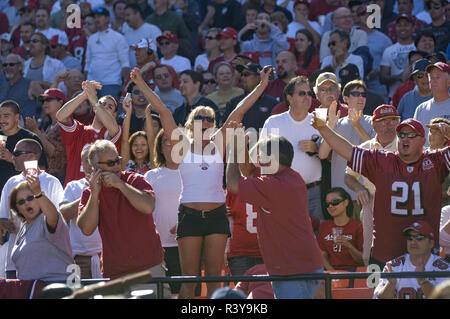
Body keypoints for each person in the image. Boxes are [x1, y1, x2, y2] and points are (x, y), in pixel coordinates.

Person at [129, 64, 269, 299]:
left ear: (213, 124)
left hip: (216, 215)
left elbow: (240, 109)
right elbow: (162, 110)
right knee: (190, 279)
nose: (204, 121)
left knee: (214, 276)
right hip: (190, 216)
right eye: (200, 117)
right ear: (191, 123)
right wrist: (141, 83)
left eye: (209, 118)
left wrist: (262, 84)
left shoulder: (219, 143)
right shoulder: (181, 146)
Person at [311, 115, 450, 266]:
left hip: (424, 254)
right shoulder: (382, 160)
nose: (405, 138)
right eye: (402, 135)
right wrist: (323, 128)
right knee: (380, 290)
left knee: (425, 289)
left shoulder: (436, 161)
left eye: (411, 135)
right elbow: (348, 150)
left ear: (423, 141)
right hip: (385, 253)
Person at [226, 134, 323, 299]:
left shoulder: (274, 185)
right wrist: (242, 146)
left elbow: (233, 184)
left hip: (292, 271)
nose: (257, 158)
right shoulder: (290, 177)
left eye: (260, 155)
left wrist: (233, 150)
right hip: (302, 266)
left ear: (270, 159)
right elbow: (249, 171)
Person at [77, 139, 166, 287]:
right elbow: (86, 228)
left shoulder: (135, 179)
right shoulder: (90, 193)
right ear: (95, 168)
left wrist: (120, 185)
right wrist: (95, 194)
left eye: (118, 160)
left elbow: (148, 206)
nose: (117, 166)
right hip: (115, 273)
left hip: (149, 267)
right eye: (111, 163)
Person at [260, 76, 324, 220]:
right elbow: (263, 158)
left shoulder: (319, 122)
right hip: (283, 191)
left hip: (313, 192)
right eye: (302, 93)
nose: (307, 97)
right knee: (286, 237)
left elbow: (331, 156)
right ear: (289, 97)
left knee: (314, 239)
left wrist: (317, 148)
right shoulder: (274, 122)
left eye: (309, 93)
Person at [344, 104, 400, 265]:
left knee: (402, 249)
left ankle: (402, 287)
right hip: (372, 203)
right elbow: (348, 176)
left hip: (402, 203)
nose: (389, 125)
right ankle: (375, 288)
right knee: (370, 252)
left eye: (393, 121)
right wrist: (359, 187)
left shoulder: (407, 144)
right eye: (384, 121)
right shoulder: (364, 149)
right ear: (374, 125)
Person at [0, 138, 63, 279]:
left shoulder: (52, 182)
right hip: (14, 262)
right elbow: (3, 217)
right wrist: (4, 223)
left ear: (31, 156)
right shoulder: (11, 182)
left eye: (17, 153)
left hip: (45, 261)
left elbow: (59, 222)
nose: (12, 156)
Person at [319, 80, 375, 210]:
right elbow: (322, 154)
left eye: (363, 94)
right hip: (340, 197)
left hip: (366, 194)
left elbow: (374, 151)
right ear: (345, 98)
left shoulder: (373, 122)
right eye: (356, 94)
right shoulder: (336, 123)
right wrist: (330, 126)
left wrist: (357, 126)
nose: (361, 97)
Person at [56, 81, 122, 186]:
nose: (104, 107)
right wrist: (85, 94)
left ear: (114, 115)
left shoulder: (113, 131)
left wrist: (96, 102)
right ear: (94, 109)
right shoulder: (80, 130)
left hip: (101, 192)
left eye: (110, 107)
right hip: (74, 190)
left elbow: (114, 129)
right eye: (102, 104)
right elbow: (60, 116)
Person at [7, 176, 73, 281]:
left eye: (30, 198)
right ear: (17, 209)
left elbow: (53, 216)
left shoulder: (46, 219)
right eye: (21, 202)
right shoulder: (23, 229)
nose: (27, 203)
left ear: (39, 199)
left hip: (56, 290)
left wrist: (38, 192)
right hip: (30, 292)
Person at [144, 128, 183, 295]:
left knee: (187, 292)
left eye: (176, 142)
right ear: (160, 148)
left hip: (188, 246)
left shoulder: (193, 173)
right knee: (161, 293)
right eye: (167, 142)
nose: (173, 146)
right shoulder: (150, 176)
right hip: (158, 248)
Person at [374, 221, 450, 299]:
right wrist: (391, 284)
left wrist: (423, 281)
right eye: (410, 238)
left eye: (419, 238)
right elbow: (380, 297)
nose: (413, 242)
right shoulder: (393, 266)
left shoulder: (444, 269)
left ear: (431, 243)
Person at [60, 144, 102, 279]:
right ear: (82, 164)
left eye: (93, 159)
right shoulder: (73, 186)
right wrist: (91, 193)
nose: (90, 164)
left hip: (105, 255)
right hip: (78, 258)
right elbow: (64, 214)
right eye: (86, 160)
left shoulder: (111, 184)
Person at [0, 100, 47, 190]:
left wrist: (12, 159)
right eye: (0, 116)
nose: (1, 120)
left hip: (23, 194)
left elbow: (42, 170)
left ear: (16, 117)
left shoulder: (30, 138)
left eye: (6, 116)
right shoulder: (0, 137)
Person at [85, 7, 130, 99]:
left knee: (109, 112)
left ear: (107, 18)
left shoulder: (118, 38)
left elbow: (125, 63)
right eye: (95, 17)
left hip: (111, 83)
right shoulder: (91, 39)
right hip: (92, 84)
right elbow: (87, 63)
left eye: (100, 17)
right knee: (92, 112)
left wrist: (126, 85)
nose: (97, 19)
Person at [25, 88, 67, 183]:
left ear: (60, 102)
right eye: (43, 101)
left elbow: (54, 154)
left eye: (48, 100)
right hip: (47, 176)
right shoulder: (49, 127)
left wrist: (36, 131)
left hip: (59, 178)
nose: (44, 103)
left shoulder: (66, 125)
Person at [318, 187, 364, 271]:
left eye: (335, 202)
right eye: (327, 204)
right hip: (331, 273)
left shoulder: (358, 227)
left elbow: (364, 261)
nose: (330, 206)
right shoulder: (324, 227)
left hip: (353, 272)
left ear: (346, 202)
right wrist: (333, 273)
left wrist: (348, 245)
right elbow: (322, 255)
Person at [224, 62, 278, 130]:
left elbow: (277, 130)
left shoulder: (272, 103)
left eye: (246, 74)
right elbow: (224, 129)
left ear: (259, 77)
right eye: (242, 74)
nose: (242, 77)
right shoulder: (233, 103)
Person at [355, 5, 392, 98]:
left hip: (377, 86)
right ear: (357, 17)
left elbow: (391, 63)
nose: (367, 16)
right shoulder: (350, 36)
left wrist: (378, 70)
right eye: (363, 14)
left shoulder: (384, 39)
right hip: (354, 86)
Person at [380, 14, 417, 100]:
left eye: (406, 25)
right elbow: (382, 78)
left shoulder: (418, 48)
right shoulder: (388, 50)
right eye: (399, 25)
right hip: (394, 97)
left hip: (417, 96)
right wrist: (399, 77)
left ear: (413, 28)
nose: (402, 28)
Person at [414, 62, 450, 146]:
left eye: (438, 77)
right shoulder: (421, 108)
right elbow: (415, 139)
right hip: (426, 158)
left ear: (449, 82)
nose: (433, 80)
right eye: (430, 77)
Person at [24, 32, 66, 99]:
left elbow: (63, 87)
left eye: (34, 41)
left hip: (46, 104)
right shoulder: (24, 64)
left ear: (44, 45)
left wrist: (41, 84)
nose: (31, 44)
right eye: (30, 41)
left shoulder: (56, 64)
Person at [122, 4, 162, 69]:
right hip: (133, 73)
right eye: (125, 16)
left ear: (137, 14)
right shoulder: (126, 32)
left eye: (128, 15)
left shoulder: (153, 30)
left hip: (150, 71)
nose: (125, 18)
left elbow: (160, 51)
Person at [120, 102, 155, 175]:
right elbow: (124, 139)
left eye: (143, 144)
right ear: (130, 147)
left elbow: (151, 140)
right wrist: (128, 112)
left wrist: (147, 112)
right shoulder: (126, 162)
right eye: (135, 144)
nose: (139, 148)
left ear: (149, 147)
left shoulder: (153, 163)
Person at [0, 53, 38, 120]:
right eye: (5, 65)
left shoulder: (31, 85)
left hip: (24, 129)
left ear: (20, 66)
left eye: (11, 64)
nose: (7, 67)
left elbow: (47, 101)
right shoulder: (2, 87)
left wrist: (40, 121)